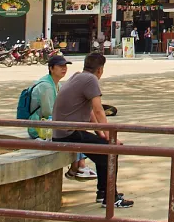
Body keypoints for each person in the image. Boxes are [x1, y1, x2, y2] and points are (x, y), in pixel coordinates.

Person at [52, 53, 132, 208]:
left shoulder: (78, 76)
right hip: (68, 133)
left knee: (105, 151)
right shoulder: (91, 79)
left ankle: (104, 193)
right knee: (110, 153)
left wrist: (102, 135)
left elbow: (89, 113)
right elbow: (98, 110)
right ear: (100, 70)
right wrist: (110, 138)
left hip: (63, 131)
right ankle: (110, 197)